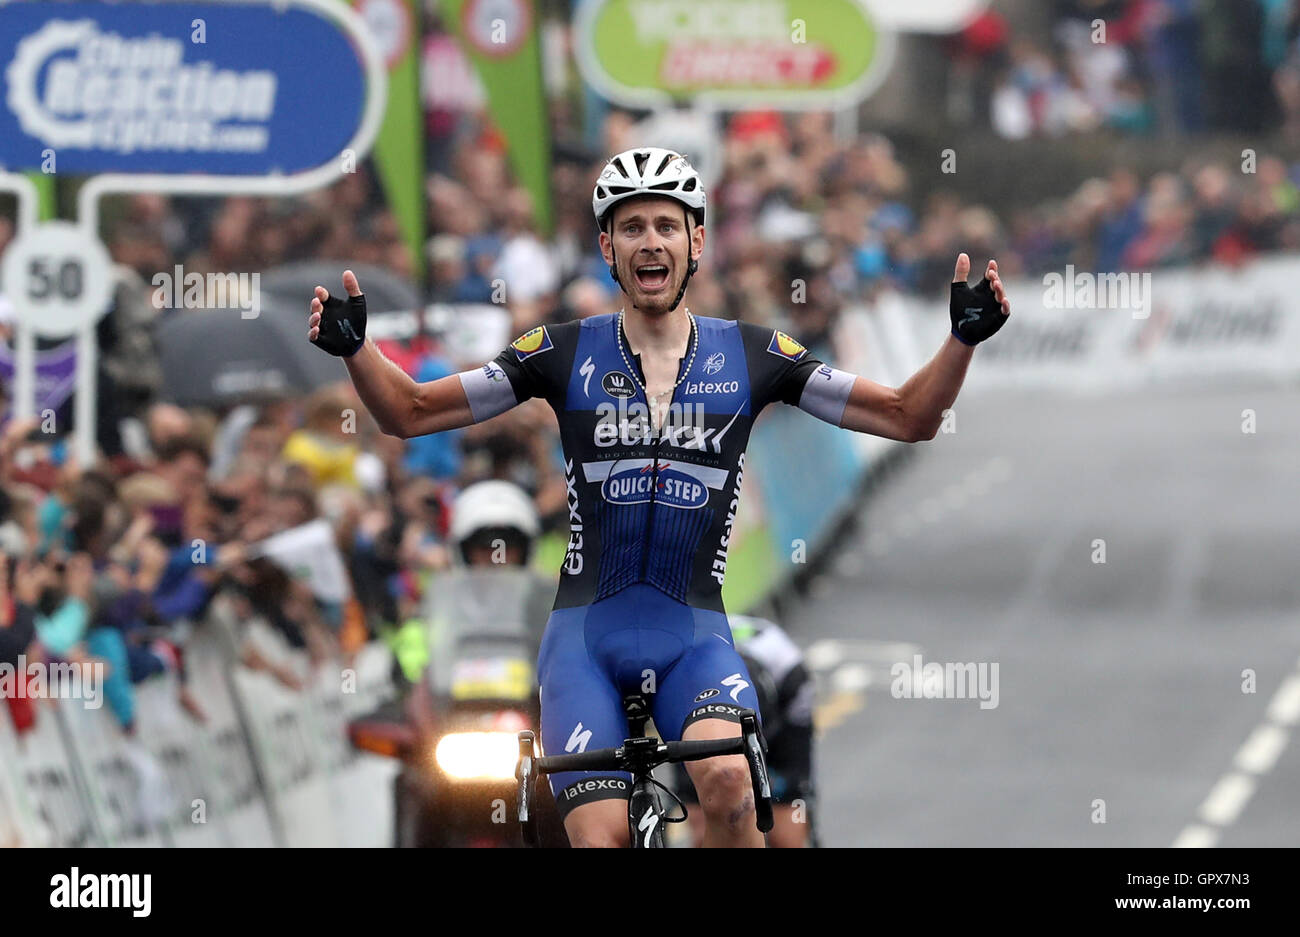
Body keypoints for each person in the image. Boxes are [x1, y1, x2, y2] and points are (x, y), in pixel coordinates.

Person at [307, 147, 1012, 847]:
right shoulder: (557, 350)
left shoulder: (756, 355)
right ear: (608, 247)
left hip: (693, 635)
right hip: (586, 638)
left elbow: (905, 416)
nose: (651, 240)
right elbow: (412, 412)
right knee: (601, 837)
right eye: (632, 226)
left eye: (667, 226)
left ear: (696, 241)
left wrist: (960, 340)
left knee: (732, 784)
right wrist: (356, 351)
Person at [671, 614, 818, 847]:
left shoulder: (791, 674)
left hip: (783, 731)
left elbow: (798, 758)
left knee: (787, 835)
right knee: (702, 829)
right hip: (699, 709)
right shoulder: (687, 674)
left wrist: (787, 791)